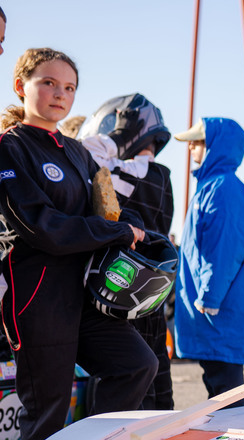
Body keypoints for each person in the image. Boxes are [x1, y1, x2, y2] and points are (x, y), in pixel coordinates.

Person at [0, 48, 156, 440]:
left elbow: (110, 210)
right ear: (21, 86)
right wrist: (114, 232)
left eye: (69, 87)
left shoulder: (76, 151)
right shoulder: (9, 148)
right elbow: (43, 226)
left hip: (86, 292)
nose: (60, 94)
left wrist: (134, 226)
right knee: (47, 413)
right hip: (38, 296)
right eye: (48, 83)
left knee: (137, 365)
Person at [78, 93, 175, 410]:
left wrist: (117, 137)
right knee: (157, 379)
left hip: (120, 288)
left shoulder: (136, 172)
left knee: (133, 387)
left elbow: (87, 153)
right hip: (149, 293)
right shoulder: (160, 176)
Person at [173, 117, 244, 405]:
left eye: (200, 140)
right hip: (219, 307)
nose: (191, 145)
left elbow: (226, 248)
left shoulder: (222, 188)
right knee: (221, 386)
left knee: (225, 392)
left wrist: (210, 296)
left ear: (218, 146)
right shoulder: (215, 186)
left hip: (219, 310)